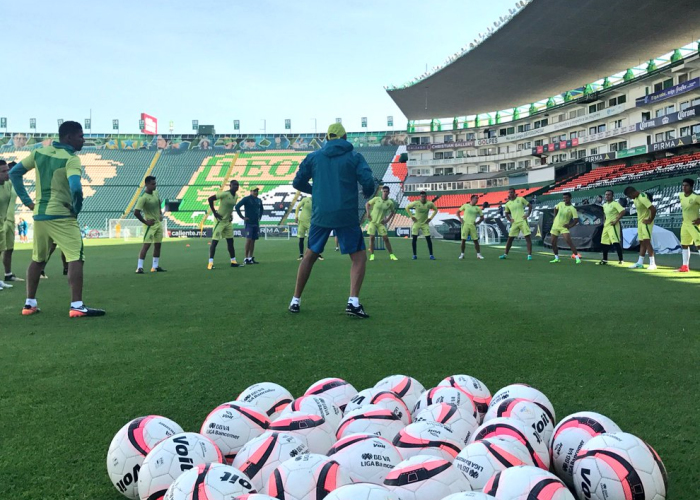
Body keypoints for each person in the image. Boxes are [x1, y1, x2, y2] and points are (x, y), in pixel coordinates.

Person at [9, 121, 105, 317]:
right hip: (62, 215)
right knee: (76, 257)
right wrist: (76, 208)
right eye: (81, 136)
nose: (83, 140)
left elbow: (14, 173)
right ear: (68, 137)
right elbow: (76, 188)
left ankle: (29, 304)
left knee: (38, 259)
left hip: (40, 214)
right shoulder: (71, 159)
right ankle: (77, 306)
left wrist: (28, 202)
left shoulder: (39, 153)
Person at [289, 122, 375, 318]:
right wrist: (368, 192)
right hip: (346, 213)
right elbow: (368, 181)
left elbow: (297, 182)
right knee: (358, 256)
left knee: (309, 255)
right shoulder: (354, 156)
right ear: (345, 138)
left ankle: (295, 300)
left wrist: (317, 191)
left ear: (327, 138)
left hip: (321, 214)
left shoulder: (314, 157)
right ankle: (353, 301)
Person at [134, 176, 166, 273]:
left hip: (158, 224)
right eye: (152, 184)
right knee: (146, 246)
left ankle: (155, 266)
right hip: (150, 225)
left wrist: (160, 213)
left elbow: (159, 202)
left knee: (158, 245)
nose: (154, 185)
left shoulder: (156, 192)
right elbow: (136, 212)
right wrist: (146, 222)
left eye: (155, 183)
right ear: (146, 184)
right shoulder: (143, 198)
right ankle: (139, 267)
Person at [207, 179, 240, 269]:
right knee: (215, 242)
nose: (236, 187)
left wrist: (231, 215)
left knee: (230, 242)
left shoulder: (236, 196)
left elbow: (230, 207)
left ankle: (233, 261)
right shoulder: (224, 194)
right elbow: (210, 199)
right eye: (234, 185)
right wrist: (214, 212)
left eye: (237, 185)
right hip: (220, 221)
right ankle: (210, 263)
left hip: (228, 222)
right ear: (230, 186)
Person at [624, 186, 656, 270]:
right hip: (640, 222)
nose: (630, 198)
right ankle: (640, 263)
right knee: (642, 242)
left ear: (632, 193)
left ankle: (653, 263)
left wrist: (650, 220)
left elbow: (653, 209)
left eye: (629, 196)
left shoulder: (642, 197)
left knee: (647, 241)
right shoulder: (636, 198)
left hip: (646, 222)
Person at [366, 185, 398, 261]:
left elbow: (393, 212)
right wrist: (368, 213)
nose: (385, 193)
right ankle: (372, 255)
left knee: (386, 238)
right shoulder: (376, 199)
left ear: (389, 193)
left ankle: (391, 255)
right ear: (382, 192)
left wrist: (387, 220)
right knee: (372, 237)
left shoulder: (390, 202)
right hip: (372, 221)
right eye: (384, 191)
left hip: (380, 223)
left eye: (387, 191)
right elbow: (367, 204)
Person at [499, 188, 533, 260]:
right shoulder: (508, 204)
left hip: (523, 221)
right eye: (509, 193)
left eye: (511, 192)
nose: (510, 194)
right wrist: (509, 219)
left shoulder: (521, 199)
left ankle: (529, 255)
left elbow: (530, 206)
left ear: (514, 193)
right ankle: (505, 254)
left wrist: (528, 214)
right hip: (515, 223)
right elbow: (506, 213)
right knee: (510, 239)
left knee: (527, 238)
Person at [549, 192, 581, 264]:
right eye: (564, 198)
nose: (565, 199)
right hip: (555, 226)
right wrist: (555, 217)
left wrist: (569, 226)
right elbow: (555, 208)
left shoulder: (572, 208)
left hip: (563, 228)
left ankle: (577, 257)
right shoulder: (560, 204)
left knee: (569, 242)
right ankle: (556, 258)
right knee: (553, 243)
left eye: (566, 198)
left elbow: (576, 220)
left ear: (570, 198)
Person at [235, 187, 264, 264]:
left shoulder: (259, 200)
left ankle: (251, 257)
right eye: (254, 191)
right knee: (248, 240)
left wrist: (259, 217)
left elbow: (261, 209)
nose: (256, 192)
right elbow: (237, 206)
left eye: (257, 191)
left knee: (253, 240)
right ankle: (246, 258)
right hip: (249, 223)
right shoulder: (246, 199)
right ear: (250, 191)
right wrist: (242, 217)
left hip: (256, 223)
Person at [406, 191, 437, 260]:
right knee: (414, 239)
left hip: (425, 224)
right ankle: (414, 255)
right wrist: (412, 216)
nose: (423, 198)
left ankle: (431, 255)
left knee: (428, 239)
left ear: (426, 196)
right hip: (416, 223)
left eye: (424, 196)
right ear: (420, 197)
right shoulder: (416, 203)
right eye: (422, 196)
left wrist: (430, 218)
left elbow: (436, 210)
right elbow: (407, 208)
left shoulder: (429, 204)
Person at [598, 189, 626, 265]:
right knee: (604, 243)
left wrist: (616, 221)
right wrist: (604, 222)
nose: (607, 196)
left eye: (609, 194)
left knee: (616, 242)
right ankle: (605, 260)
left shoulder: (615, 204)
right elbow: (605, 214)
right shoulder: (605, 205)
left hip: (613, 226)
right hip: (606, 226)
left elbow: (623, 211)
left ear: (612, 196)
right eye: (606, 194)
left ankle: (621, 260)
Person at [678, 178, 700, 272]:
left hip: (694, 224)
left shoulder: (696, 197)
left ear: (691, 187)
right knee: (684, 244)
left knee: (699, 245)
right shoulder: (681, 195)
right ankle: (685, 266)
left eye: (686, 185)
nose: (684, 187)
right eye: (683, 185)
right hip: (685, 224)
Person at [0, 160, 15, 290]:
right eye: (3, 171)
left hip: (2, 223)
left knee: (1, 251)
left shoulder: (8, 184)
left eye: (7, 170)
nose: (7, 173)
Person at [295, 195, 323, 261]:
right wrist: (296, 216)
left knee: (312, 239)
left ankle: (316, 254)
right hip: (301, 221)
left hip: (311, 222)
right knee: (301, 238)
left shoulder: (318, 201)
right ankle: (301, 254)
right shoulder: (305, 199)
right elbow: (298, 207)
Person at [457, 194, 484, 260]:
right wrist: (460, 219)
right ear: (471, 199)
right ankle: (462, 254)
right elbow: (457, 212)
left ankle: (478, 254)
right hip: (465, 225)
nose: (477, 200)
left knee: (475, 240)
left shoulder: (477, 208)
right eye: (475, 198)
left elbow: (482, 217)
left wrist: (477, 222)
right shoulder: (465, 205)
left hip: (472, 225)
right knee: (463, 240)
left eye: (477, 199)